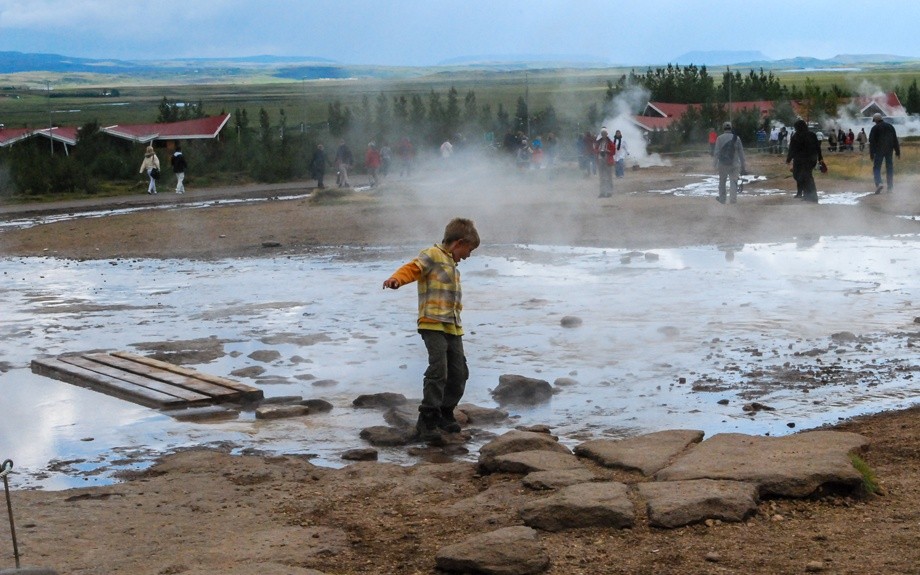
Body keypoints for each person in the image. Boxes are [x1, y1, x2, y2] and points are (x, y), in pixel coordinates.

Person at [382, 218, 480, 442]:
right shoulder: (433, 255)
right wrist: (397, 279)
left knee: (459, 372)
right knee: (438, 370)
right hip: (432, 323)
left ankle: (445, 412)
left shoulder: (453, 267)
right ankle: (427, 421)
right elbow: (413, 268)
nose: (468, 255)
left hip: (453, 326)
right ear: (459, 243)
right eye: (469, 250)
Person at [785, 119, 823, 203]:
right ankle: (809, 195)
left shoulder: (796, 136)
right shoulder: (812, 135)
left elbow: (792, 149)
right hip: (811, 160)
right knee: (807, 176)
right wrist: (820, 158)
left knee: (801, 177)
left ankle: (810, 196)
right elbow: (818, 148)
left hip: (800, 160)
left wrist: (788, 160)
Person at [713, 121, 746, 204]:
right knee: (733, 182)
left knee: (722, 182)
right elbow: (741, 153)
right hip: (735, 164)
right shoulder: (737, 138)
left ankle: (722, 199)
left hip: (723, 164)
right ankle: (733, 200)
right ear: (731, 128)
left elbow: (716, 152)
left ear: (723, 128)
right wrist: (743, 165)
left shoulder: (719, 138)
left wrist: (714, 164)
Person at [868, 112, 900, 193]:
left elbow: (872, 141)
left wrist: (871, 153)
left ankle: (879, 183)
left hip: (879, 151)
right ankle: (890, 188)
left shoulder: (875, 128)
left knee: (876, 167)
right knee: (889, 168)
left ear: (875, 120)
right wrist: (897, 151)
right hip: (889, 150)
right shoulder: (890, 126)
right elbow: (895, 139)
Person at [595, 127, 616, 197]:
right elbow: (595, 150)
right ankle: (602, 192)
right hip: (600, 160)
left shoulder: (610, 142)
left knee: (609, 177)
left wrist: (607, 151)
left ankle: (609, 192)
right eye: (602, 133)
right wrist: (599, 151)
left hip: (608, 161)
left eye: (604, 133)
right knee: (602, 177)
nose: (603, 135)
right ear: (601, 134)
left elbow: (613, 152)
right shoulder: (598, 142)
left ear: (606, 134)